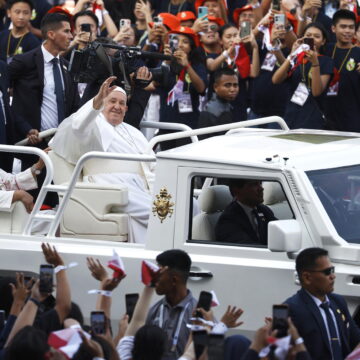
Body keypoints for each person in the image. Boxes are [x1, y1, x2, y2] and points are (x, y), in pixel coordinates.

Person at [51, 76, 155, 244]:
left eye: (122, 103)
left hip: (140, 186)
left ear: (126, 108)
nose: (117, 107)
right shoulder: (94, 124)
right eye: (112, 101)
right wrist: (97, 100)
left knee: (185, 204)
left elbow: (151, 164)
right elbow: (78, 126)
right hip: (109, 185)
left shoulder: (133, 132)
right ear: (102, 104)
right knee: (161, 212)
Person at [9, 12, 79, 143]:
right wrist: (25, 128)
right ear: (51, 34)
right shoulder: (24, 61)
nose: (71, 36)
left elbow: (75, 107)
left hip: (60, 144)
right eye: (67, 31)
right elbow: (3, 97)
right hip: (31, 144)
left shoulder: (68, 68)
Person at [284, 247, 360, 360]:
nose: (333, 276)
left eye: (332, 270)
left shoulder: (338, 302)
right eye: (327, 272)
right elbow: (280, 353)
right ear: (307, 277)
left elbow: (356, 339)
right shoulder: (290, 309)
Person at [272, 22, 333, 129]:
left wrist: (315, 63)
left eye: (317, 36)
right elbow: (276, 80)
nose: (312, 38)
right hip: (290, 116)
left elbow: (316, 92)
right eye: (308, 35)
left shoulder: (326, 61)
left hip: (312, 119)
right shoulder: (296, 58)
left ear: (323, 41)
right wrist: (292, 54)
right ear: (303, 38)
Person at [145, 249, 197, 360]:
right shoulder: (154, 311)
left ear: (174, 280)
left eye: (158, 275)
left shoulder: (198, 315)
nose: (154, 280)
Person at [323, 10, 360, 132]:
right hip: (325, 118)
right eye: (343, 27)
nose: (348, 31)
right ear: (333, 28)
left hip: (353, 119)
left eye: (351, 27)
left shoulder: (359, 52)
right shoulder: (326, 49)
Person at [215, 179, 277, 245]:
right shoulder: (228, 220)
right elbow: (248, 248)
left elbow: (279, 230)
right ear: (237, 191)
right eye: (254, 184)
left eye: (260, 183)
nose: (261, 188)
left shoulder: (262, 209)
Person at [198, 68, 239, 137]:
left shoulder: (230, 106)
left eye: (235, 85)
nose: (232, 89)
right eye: (227, 85)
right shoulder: (208, 113)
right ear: (215, 87)